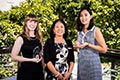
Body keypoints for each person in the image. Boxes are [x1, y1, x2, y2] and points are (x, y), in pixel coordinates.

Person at [74, 6, 107, 80]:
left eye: (86, 15)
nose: (83, 18)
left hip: (93, 65)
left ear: (91, 16)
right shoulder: (79, 32)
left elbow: (104, 49)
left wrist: (89, 44)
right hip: (82, 64)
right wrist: (76, 45)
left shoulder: (96, 30)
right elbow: (78, 49)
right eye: (81, 16)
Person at [11, 13, 44, 80]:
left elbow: (40, 53)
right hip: (26, 73)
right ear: (26, 23)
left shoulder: (39, 38)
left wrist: (41, 58)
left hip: (38, 72)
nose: (33, 24)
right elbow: (13, 57)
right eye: (30, 21)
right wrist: (31, 60)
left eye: (35, 22)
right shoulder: (21, 38)